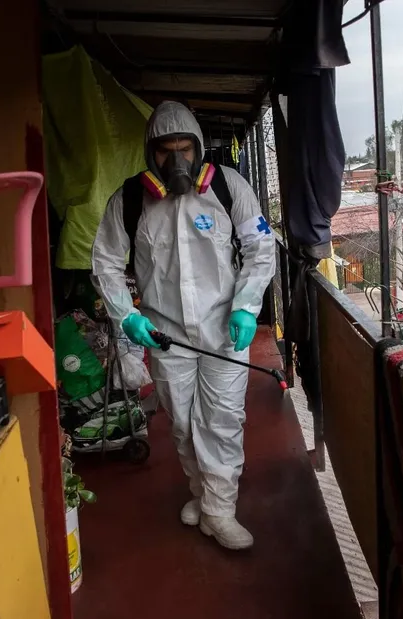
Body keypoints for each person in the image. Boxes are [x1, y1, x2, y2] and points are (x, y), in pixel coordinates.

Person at [91, 101, 275, 550]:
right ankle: (203, 493)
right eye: (166, 151)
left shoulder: (229, 187)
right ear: (150, 154)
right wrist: (128, 316)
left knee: (222, 421)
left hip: (223, 330)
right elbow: (105, 264)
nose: (177, 161)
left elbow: (261, 247)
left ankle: (220, 511)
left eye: (185, 149)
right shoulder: (129, 200)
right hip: (164, 335)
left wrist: (248, 305)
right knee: (183, 424)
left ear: (199, 148)